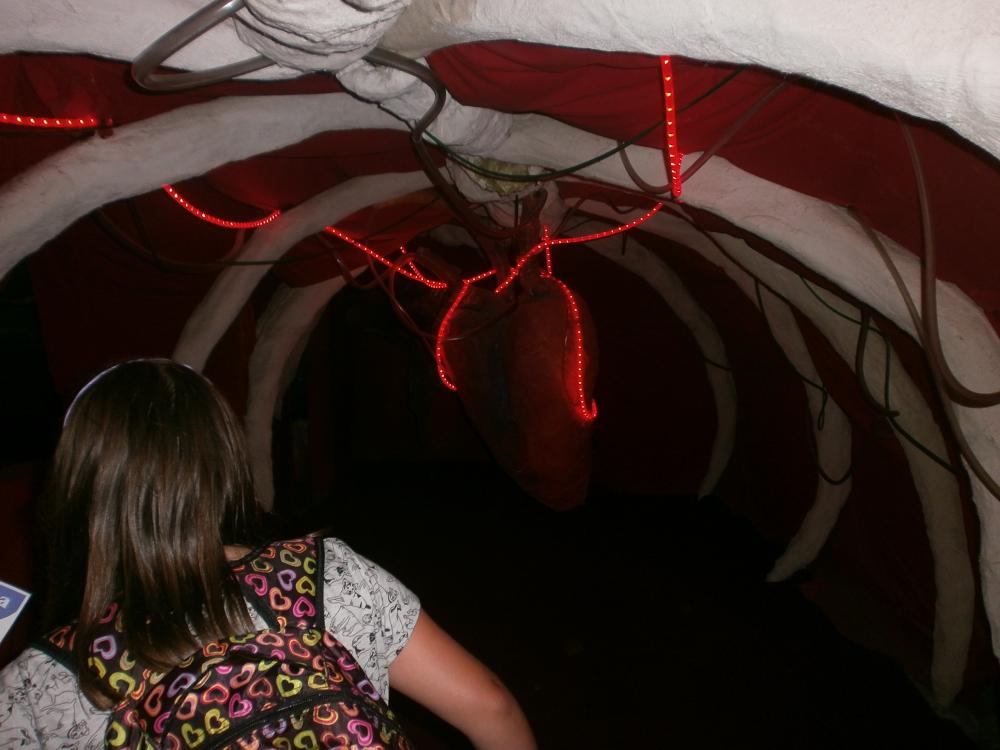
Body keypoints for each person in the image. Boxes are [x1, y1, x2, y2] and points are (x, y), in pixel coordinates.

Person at [0, 358, 537, 749]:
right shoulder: (328, 577)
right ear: (226, 465)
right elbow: (491, 706)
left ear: (74, 490)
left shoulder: (40, 684)